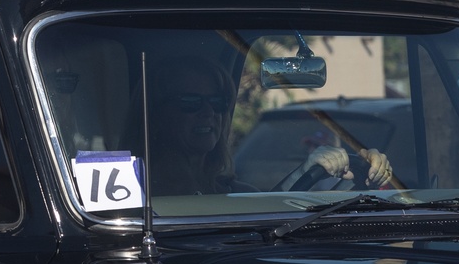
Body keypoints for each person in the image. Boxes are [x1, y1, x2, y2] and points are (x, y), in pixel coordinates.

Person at [148, 56, 392, 195]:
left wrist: (360, 179)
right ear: (159, 114)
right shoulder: (142, 197)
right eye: (190, 102)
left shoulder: (231, 191)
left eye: (218, 102)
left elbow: (280, 223)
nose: (209, 112)